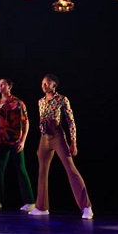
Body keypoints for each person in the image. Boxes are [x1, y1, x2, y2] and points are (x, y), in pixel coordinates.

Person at [30, 73, 93, 220]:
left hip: (57, 135)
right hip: (44, 137)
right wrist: (40, 143)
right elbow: (41, 121)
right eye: (42, 83)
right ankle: (41, 207)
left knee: (70, 169)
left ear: (54, 85)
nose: (43, 85)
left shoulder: (62, 99)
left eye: (47, 83)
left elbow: (71, 121)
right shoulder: (41, 101)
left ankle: (86, 207)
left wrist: (73, 142)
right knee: (42, 171)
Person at [0, 78, 35, 211]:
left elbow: (25, 122)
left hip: (15, 140)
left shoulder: (18, 103)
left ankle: (30, 201)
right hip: (0, 140)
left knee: (21, 169)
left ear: (9, 86)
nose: (0, 86)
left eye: (3, 84)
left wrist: (23, 140)